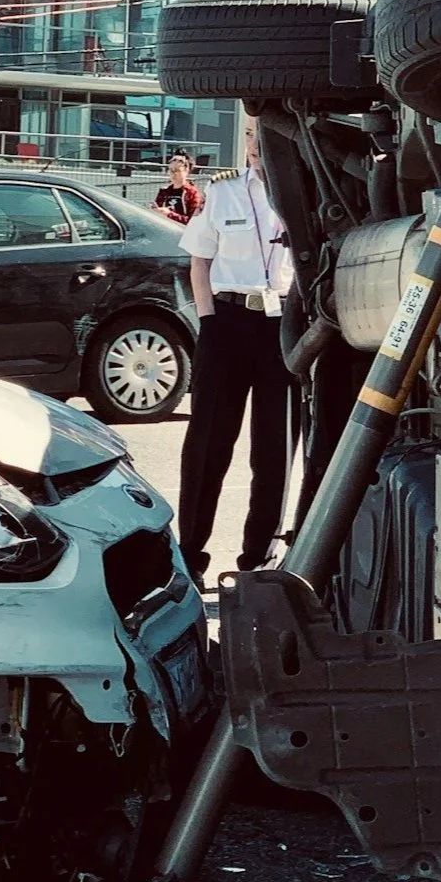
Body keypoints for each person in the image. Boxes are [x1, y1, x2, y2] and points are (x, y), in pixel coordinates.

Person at [176, 115, 294, 581]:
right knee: (208, 443)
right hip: (227, 321)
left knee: (274, 449)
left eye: (260, 132)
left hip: (282, 325)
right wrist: (208, 320)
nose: (253, 143)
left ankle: (257, 560)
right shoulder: (222, 190)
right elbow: (199, 262)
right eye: (247, 134)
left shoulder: (301, 191)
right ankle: (190, 557)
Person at [153, 151, 205, 226]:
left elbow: (193, 221)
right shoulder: (164, 191)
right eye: (171, 170)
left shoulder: (192, 193)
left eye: (177, 170)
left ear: (186, 171)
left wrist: (169, 214)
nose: (173, 174)